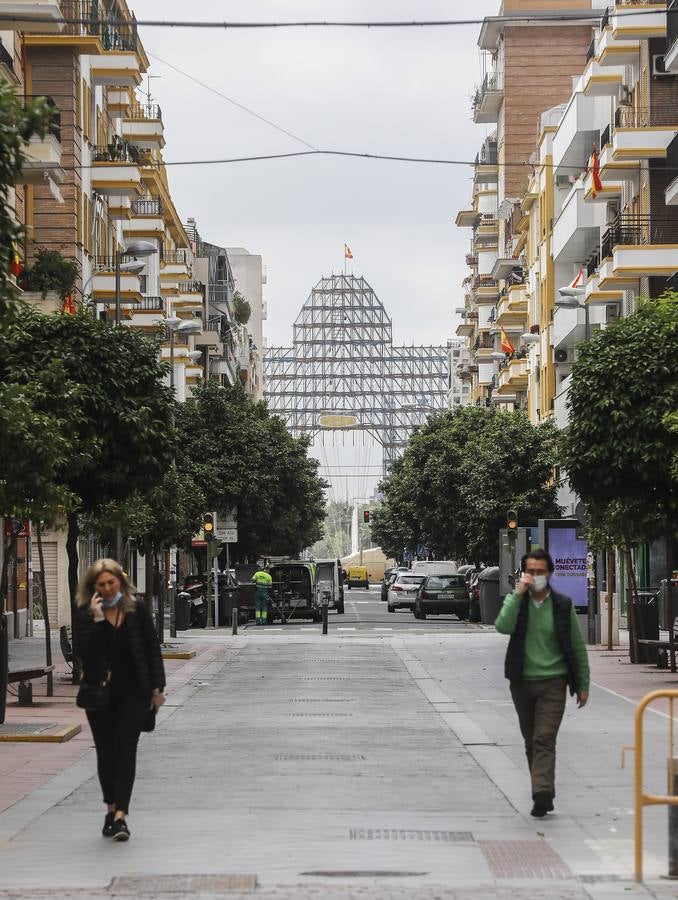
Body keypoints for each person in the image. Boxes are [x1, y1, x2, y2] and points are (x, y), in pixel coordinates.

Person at [495, 548, 589, 818]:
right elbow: (502, 625)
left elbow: (576, 646)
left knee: (544, 738)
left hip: (553, 682)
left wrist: (583, 684)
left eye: (540, 572)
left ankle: (542, 793)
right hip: (522, 682)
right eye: (531, 571)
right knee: (530, 741)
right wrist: (517, 594)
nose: (535, 576)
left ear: (549, 574)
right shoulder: (519, 601)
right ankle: (542, 786)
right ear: (524, 574)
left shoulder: (561, 605)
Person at [76, 559, 166, 842]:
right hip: (100, 695)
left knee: (126, 750)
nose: (106, 588)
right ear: (94, 588)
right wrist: (99, 621)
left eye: (111, 583)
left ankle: (120, 817)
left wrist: (157, 688)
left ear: (120, 582)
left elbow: (152, 649)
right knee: (106, 754)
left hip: (134, 694)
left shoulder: (137, 610)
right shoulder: (87, 614)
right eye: (101, 585)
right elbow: (86, 658)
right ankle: (110, 807)